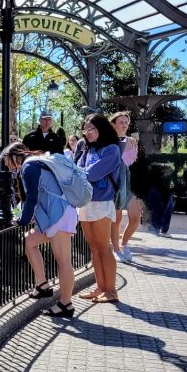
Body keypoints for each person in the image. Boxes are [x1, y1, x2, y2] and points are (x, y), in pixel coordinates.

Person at [2, 142, 79, 318]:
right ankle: (42, 285)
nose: (6, 165)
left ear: (13, 155)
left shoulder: (29, 166)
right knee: (29, 241)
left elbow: (31, 198)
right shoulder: (36, 161)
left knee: (64, 261)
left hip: (58, 215)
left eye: (5, 160)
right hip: (57, 214)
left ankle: (66, 304)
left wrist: (22, 220)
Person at [75, 114, 122, 304]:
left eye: (92, 128)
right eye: (86, 129)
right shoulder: (87, 149)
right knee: (94, 248)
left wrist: (79, 172)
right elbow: (78, 170)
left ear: (101, 128)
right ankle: (100, 287)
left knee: (104, 247)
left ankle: (111, 291)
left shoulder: (111, 150)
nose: (88, 132)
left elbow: (91, 173)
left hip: (102, 202)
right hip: (86, 202)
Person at [109, 112, 142, 261]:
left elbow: (135, 164)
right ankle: (116, 249)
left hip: (129, 184)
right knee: (116, 220)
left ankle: (124, 243)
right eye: (121, 121)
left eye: (126, 122)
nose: (124, 124)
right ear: (114, 124)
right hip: (115, 184)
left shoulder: (133, 141)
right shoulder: (109, 141)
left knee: (135, 218)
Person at [146, 162, 176, 236]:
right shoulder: (161, 175)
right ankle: (160, 229)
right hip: (162, 192)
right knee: (162, 210)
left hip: (161, 191)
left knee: (158, 210)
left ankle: (157, 228)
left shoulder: (153, 174)